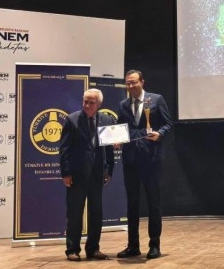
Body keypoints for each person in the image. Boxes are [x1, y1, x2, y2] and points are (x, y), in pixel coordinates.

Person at [115, 70, 173, 260]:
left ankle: (154, 245)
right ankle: (133, 246)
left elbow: (168, 124)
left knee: (153, 203)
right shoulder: (123, 105)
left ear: (142, 82)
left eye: (134, 82)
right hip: (130, 160)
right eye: (128, 83)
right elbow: (121, 128)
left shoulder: (156, 100)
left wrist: (160, 133)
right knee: (132, 204)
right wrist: (116, 139)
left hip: (151, 160)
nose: (131, 86)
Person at [59, 88, 115, 261]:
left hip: (97, 174)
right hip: (76, 174)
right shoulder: (72, 119)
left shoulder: (107, 120)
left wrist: (109, 170)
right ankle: (72, 249)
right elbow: (64, 149)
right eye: (85, 101)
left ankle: (93, 249)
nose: (87, 105)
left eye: (91, 102)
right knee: (75, 213)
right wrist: (66, 173)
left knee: (96, 212)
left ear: (99, 104)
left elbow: (109, 149)